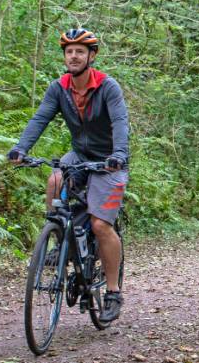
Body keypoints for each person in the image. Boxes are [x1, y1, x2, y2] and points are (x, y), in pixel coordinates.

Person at [7, 28, 129, 323]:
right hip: (79, 155)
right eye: (69, 51)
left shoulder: (107, 87)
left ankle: (113, 293)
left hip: (109, 160)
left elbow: (120, 121)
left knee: (100, 224)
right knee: (55, 179)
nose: (73, 56)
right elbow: (40, 118)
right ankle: (60, 239)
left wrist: (119, 154)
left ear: (91, 56)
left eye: (79, 52)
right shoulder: (59, 88)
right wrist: (21, 148)